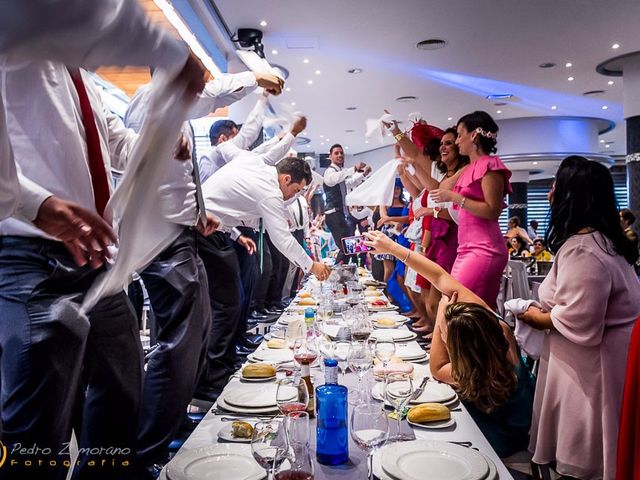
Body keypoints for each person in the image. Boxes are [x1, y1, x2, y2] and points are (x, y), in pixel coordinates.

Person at [0, 2, 207, 479]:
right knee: (38, 430)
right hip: (30, 257)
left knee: (120, 389)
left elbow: (115, 142)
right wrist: (37, 204)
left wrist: (163, 135)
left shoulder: (80, 77)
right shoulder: (18, 36)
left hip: (94, 260)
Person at [124, 70, 283, 476]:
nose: (200, 80)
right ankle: (148, 450)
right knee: (179, 341)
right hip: (161, 234)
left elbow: (171, 179)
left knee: (194, 332)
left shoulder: (166, 110)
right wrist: (256, 78)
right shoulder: (155, 99)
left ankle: (171, 423)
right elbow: (212, 94)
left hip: (180, 229)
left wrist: (198, 217)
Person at [518, 156, 640, 480]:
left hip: (590, 367)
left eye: (557, 183)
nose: (550, 191)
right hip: (603, 359)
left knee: (588, 452)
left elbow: (578, 321)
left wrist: (529, 314)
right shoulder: (608, 242)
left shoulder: (584, 249)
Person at [363, 229, 534, 458]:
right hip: (519, 417)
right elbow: (440, 277)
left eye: (442, 334)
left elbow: (436, 367)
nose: (439, 331)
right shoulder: (496, 326)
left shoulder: (472, 372)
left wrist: (443, 310)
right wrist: (392, 248)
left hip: (498, 435)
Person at [430, 111, 512, 309]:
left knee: (465, 308)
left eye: (459, 135)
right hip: (466, 248)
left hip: (484, 249)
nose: (457, 142)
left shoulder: (490, 166)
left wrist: (455, 198)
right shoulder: (471, 167)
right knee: (459, 308)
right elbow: (443, 187)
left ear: (474, 135)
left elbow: (492, 210)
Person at [323, 143, 371, 262]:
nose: (340, 155)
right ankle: (337, 275)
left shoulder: (340, 172)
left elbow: (348, 184)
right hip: (333, 213)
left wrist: (363, 175)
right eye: (336, 153)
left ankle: (340, 274)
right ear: (330, 156)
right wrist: (353, 169)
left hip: (339, 214)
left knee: (347, 246)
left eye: (341, 153)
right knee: (346, 246)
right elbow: (332, 180)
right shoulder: (330, 171)